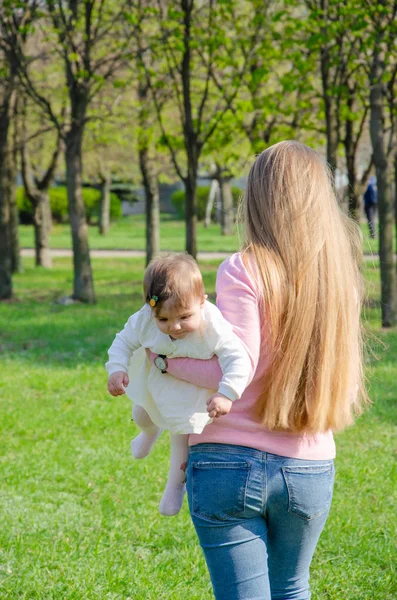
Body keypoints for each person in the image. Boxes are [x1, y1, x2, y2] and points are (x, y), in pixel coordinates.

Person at [151, 141, 368, 599]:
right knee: (292, 588)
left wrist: (166, 362)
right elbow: (345, 387)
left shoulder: (243, 270)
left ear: (257, 199)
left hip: (225, 462)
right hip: (308, 467)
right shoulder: (339, 279)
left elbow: (237, 367)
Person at [105, 253, 251, 517]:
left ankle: (175, 485)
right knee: (140, 414)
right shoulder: (144, 320)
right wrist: (116, 369)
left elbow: (238, 357)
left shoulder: (213, 324)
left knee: (180, 439)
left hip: (190, 394)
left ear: (202, 302)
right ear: (151, 311)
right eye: (163, 320)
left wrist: (226, 393)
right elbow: (123, 342)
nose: (174, 326)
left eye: (184, 317)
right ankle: (149, 433)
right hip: (158, 382)